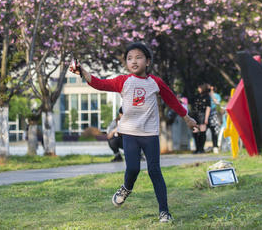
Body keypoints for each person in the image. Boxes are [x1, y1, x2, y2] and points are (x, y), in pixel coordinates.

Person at [70, 42, 197, 223]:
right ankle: (126, 188)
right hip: (129, 133)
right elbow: (100, 84)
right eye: (130, 58)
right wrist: (82, 71)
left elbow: (173, 101)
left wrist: (187, 118)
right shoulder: (123, 81)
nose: (134, 61)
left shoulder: (156, 82)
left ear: (148, 61)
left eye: (138, 57)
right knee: (133, 168)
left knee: (154, 171)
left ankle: (164, 212)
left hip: (150, 134)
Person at [190, 84, 211, 154]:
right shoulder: (197, 96)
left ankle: (201, 148)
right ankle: (197, 148)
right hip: (195, 115)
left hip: (202, 115)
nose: (198, 88)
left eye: (199, 87)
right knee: (195, 131)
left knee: (202, 132)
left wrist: (206, 118)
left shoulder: (207, 97)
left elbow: (208, 108)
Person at [208, 84, 222, 154]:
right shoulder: (205, 95)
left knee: (214, 131)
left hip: (214, 114)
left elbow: (217, 103)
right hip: (205, 114)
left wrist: (212, 96)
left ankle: (215, 147)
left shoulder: (216, 95)